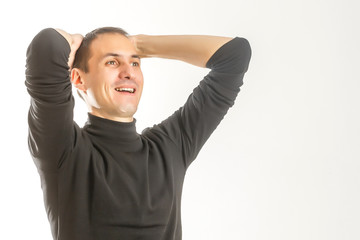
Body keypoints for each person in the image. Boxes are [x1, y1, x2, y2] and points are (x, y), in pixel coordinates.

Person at [25, 27, 251, 240]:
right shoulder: (63, 149)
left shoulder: (170, 147)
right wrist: (76, 41)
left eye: (135, 63)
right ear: (78, 79)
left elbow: (234, 55)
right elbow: (48, 46)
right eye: (112, 62)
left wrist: (142, 45)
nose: (128, 73)